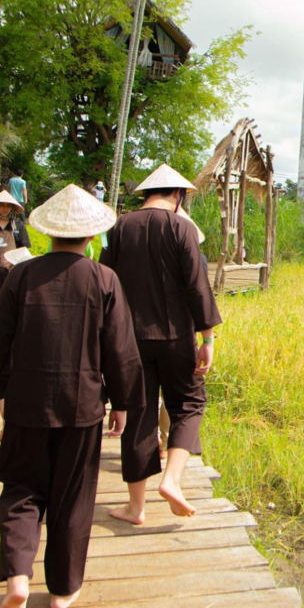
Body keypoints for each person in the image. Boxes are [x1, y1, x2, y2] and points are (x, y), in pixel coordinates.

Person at [0, 184, 140, 608]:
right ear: (90, 236)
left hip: (25, 403)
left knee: (22, 490)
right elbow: (120, 349)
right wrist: (122, 402)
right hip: (82, 407)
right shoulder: (105, 279)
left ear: (47, 233)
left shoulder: (22, 276)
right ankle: (62, 590)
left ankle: (19, 580)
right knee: (73, 498)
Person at [101, 163, 221, 526]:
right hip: (175, 337)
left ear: (145, 194)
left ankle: (135, 507)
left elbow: (106, 280)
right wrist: (208, 338)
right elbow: (197, 286)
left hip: (130, 339)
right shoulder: (182, 228)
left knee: (138, 414)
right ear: (179, 195)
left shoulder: (119, 227)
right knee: (188, 401)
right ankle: (171, 479)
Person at [0, 189, 31, 286]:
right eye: (2, 205)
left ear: (12, 208)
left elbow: (23, 250)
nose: (5, 209)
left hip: (10, 269)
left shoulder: (18, 225)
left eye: (8, 206)